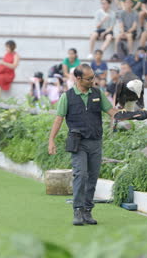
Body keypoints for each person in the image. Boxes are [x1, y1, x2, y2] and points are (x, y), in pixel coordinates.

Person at [48, 64, 125, 226]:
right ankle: (77, 209)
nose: (93, 81)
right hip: (78, 143)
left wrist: (129, 115)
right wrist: (51, 140)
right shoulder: (67, 97)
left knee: (92, 177)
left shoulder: (98, 93)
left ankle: (87, 211)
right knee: (81, 174)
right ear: (78, 79)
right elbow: (58, 119)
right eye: (89, 78)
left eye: (93, 77)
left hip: (95, 142)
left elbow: (111, 111)